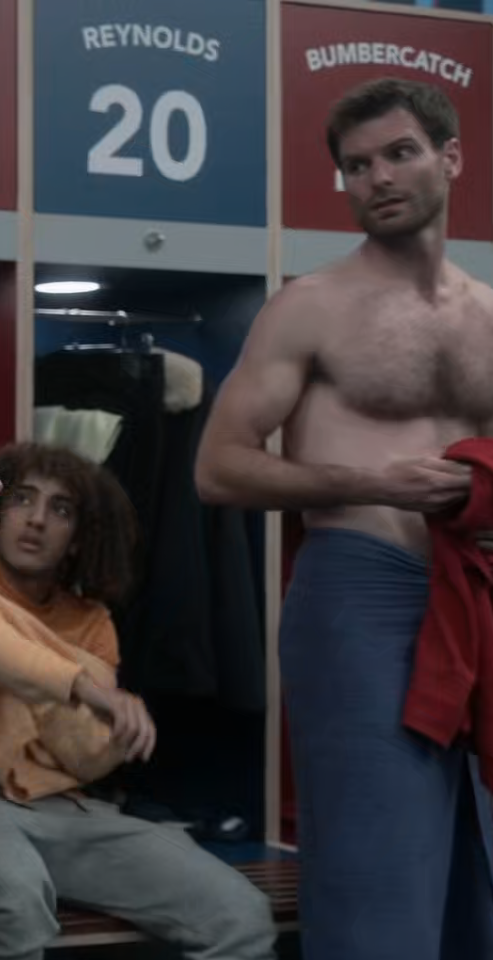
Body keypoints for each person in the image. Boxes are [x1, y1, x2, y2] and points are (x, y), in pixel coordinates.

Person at [195, 76, 493, 958]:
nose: (378, 178)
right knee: (375, 885)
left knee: (475, 890)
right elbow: (218, 467)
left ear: (450, 157)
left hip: (474, 593)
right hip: (360, 590)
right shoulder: (311, 306)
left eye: (399, 154)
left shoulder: (488, 314)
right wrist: (375, 483)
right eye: (357, 166)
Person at [0, 442, 276, 960]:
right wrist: (85, 686)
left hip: (64, 808)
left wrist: (51, 683)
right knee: (13, 895)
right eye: (22, 499)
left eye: (60, 509)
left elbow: (90, 753)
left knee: (241, 913)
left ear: (79, 536)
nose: (37, 520)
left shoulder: (92, 621)